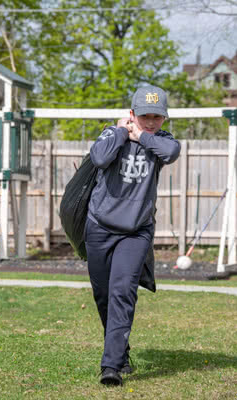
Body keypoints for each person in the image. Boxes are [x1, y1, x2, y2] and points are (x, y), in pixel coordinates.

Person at [84, 84, 181, 386]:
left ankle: (111, 366)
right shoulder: (111, 135)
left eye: (157, 117)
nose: (151, 121)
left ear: (164, 119)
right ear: (131, 114)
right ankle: (121, 352)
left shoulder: (159, 141)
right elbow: (99, 158)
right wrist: (121, 133)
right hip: (99, 227)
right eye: (144, 116)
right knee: (103, 296)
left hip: (136, 231)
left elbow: (172, 151)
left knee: (122, 292)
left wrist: (142, 136)